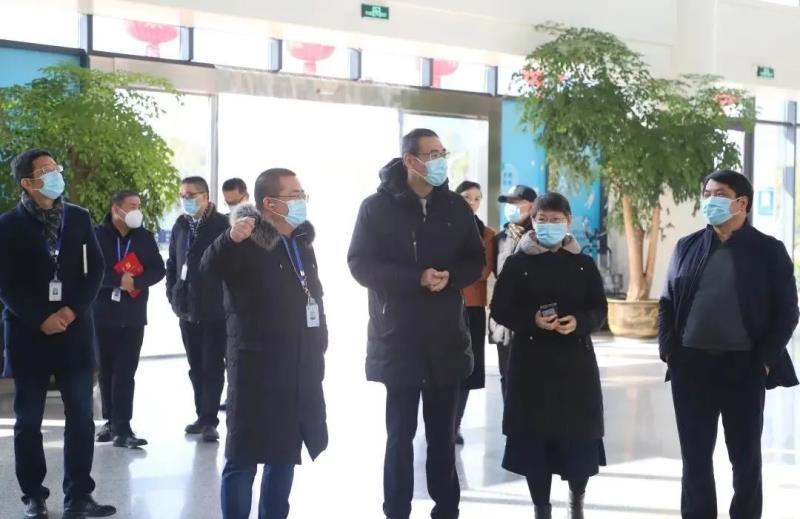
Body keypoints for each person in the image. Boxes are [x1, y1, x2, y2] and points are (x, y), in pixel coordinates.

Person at [348, 128, 485, 519]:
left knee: (443, 437)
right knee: (400, 436)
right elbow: (360, 264)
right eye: (433, 154)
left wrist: (451, 278)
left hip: (446, 339)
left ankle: (447, 509)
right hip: (399, 340)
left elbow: (475, 260)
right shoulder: (376, 208)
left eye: (443, 153)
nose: (441, 160)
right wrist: (415, 278)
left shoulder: (455, 207)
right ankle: (396, 510)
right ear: (410, 160)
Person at [659, 170, 799, 519]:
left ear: (742, 203)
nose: (710, 200)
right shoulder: (687, 246)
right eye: (707, 193)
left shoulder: (769, 251)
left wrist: (764, 360)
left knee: (745, 458)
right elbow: (667, 303)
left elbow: (788, 311)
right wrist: (669, 352)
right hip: (691, 368)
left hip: (744, 368)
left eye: (719, 194)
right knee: (694, 458)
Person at [201, 168, 328, 519]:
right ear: (270, 203)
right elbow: (209, 267)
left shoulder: (300, 241)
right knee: (243, 458)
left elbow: (313, 295)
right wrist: (229, 239)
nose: (302, 200)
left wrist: (319, 342)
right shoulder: (248, 237)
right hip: (255, 367)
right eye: (295, 195)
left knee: (284, 455)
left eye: (302, 194)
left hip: (296, 365)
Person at [0, 149, 116, 518]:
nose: (55, 174)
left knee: (81, 416)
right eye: (46, 171)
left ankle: (79, 495)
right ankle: (33, 496)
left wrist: (71, 310)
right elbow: (5, 283)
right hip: (28, 334)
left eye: (56, 168)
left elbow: (95, 269)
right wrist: (40, 318)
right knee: (28, 420)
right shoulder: (8, 225)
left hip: (73, 332)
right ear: (27, 183)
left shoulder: (78, 217)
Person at [491, 192, 607, 519]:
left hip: (576, 367)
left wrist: (579, 322)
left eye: (556, 219)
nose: (549, 225)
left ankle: (576, 502)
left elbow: (599, 309)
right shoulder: (517, 263)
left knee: (579, 441)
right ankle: (541, 506)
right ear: (533, 221)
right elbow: (500, 308)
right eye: (542, 219)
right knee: (534, 443)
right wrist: (532, 320)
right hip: (531, 365)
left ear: (568, 222)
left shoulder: (583, 264)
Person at [93, 191, 166, 449]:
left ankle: (123, 427)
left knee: (125, 372)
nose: (137, 210)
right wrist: (116, 280)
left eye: (139, 206)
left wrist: (136, 281)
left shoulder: (144, 237)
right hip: (102, 313)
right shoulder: (96, 235)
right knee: (106, 370)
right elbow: (87, 271)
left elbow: (159, 269)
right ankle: (110, 421)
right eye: (132, 206)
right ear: (117, 209)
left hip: (133, 314)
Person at [166, 176, 230, 442]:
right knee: (195, 366)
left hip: (214, 308)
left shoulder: (222, 224)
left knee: (212, 365)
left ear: (205, 196)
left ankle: (209, 420)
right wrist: (172, 294)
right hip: (186, 307)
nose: (186, 200)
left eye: (191, 195)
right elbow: (173, 262)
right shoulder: (181, 225)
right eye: (182, 195)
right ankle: (201, 415)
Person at [453, 180, 496, 446]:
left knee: (468, 368)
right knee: (443, 366)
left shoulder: (487, 234)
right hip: (443, 307)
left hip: (473, 308)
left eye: (477, 198)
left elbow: (483, 270)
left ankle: (455, 423)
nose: (472, 202)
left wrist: (451, 274)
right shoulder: (443, 227)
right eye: (467, 196)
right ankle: (441, 421)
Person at [489, 184, 537, 400]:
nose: (511, 207)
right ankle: (510, 418)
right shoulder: (500, 238)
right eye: (509, 203)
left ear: (532, 205)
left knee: (532, 378)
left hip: (533, 320)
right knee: (507, 376)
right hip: (505, 322)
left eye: (516, 202)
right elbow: (495, 273)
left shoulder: (539, 236)